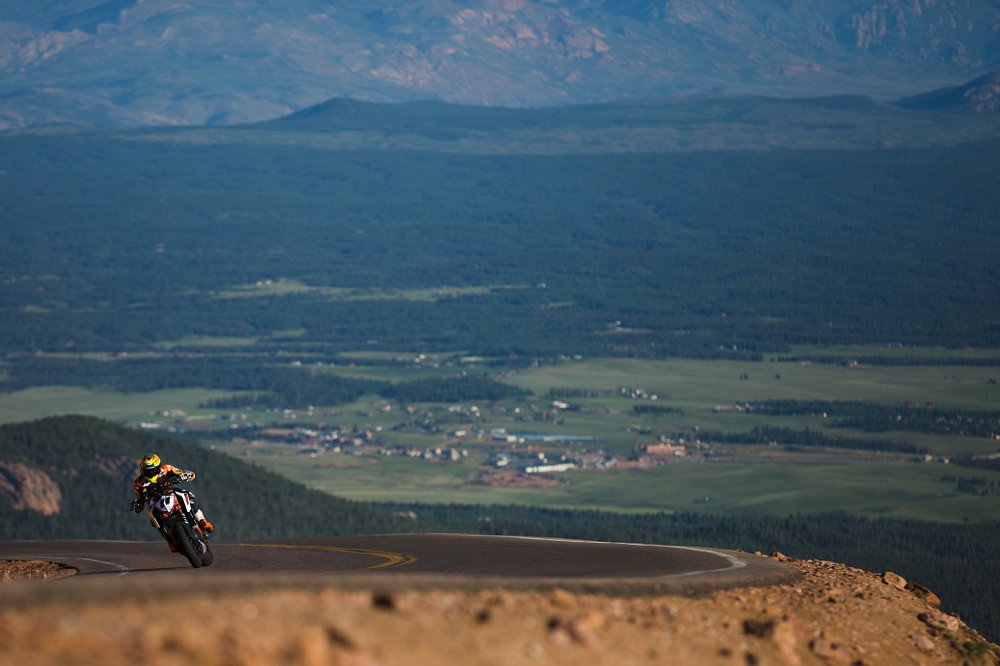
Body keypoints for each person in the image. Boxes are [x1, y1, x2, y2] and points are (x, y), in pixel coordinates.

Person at [131, 453, 214, 535]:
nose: (150, 473)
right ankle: (169, 538)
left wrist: (182, 476)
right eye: (146, 471)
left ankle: (203, 522)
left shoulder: (167, 468)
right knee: (153, 519)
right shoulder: (138, 484)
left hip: (170, 493)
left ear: (158, 467)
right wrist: (138, 504)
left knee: (188, 495)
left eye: (152, 470)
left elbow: (188, 473)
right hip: (155, 503)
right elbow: (139, 505)